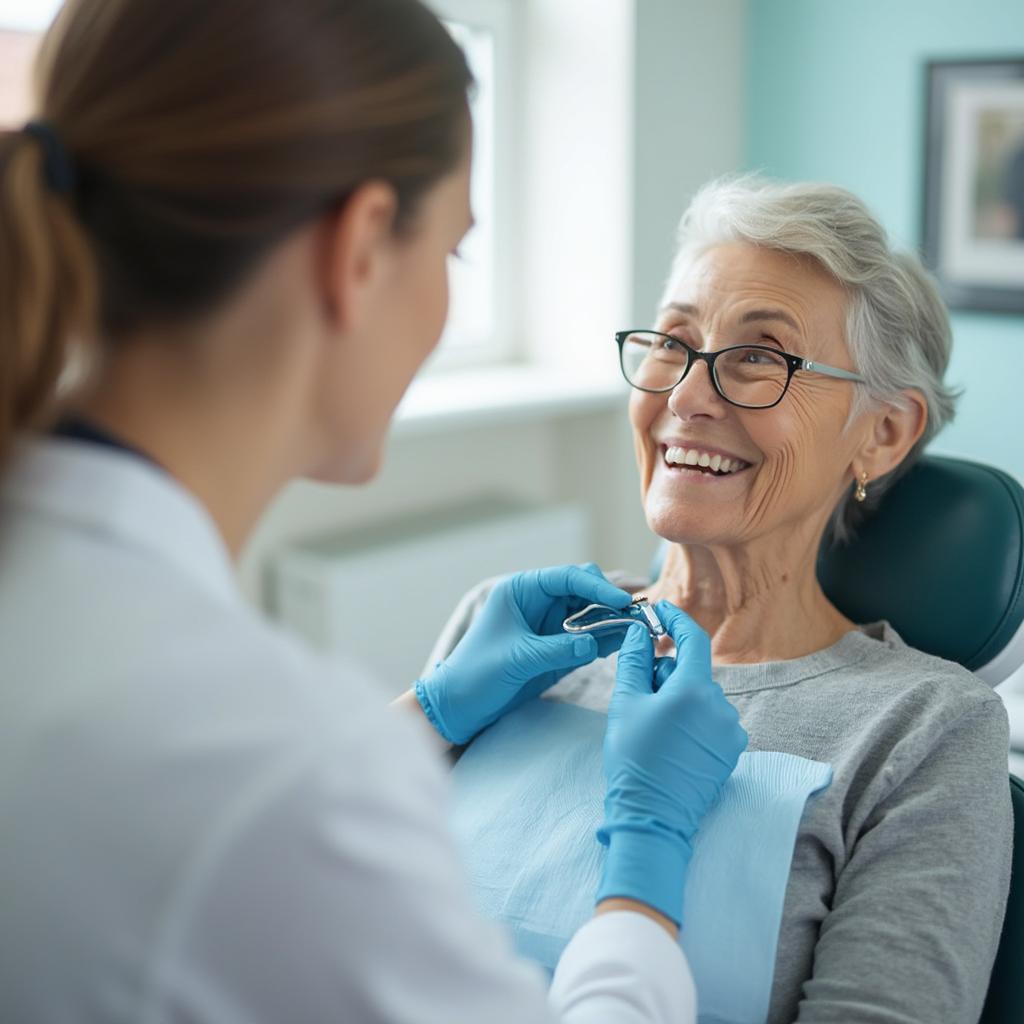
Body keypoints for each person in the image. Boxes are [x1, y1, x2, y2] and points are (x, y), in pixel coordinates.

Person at [0, 2, 748, 1022]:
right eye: (453, 252)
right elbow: (257, 829)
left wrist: (417, 722)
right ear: (357, 248)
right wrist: (642, 875)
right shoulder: (279, 766)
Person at [430, 177, 1014, 1023]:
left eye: (760, 358)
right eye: (673, 342)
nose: (686, 397)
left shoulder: (923, 730)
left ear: (883, 433)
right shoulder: (504, 628)